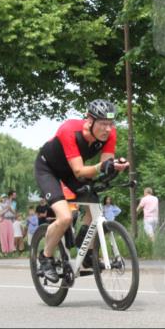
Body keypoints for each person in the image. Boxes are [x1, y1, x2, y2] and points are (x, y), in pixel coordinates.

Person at [34, 100, 129, 282]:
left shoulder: (110, 134)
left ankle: (87, 251)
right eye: (103, 124)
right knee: (65, 218)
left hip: (70, 171)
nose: (107, 129)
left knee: (94, 204)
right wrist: (102, 166)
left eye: (110, 124)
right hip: (48, 170)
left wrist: (116, 167)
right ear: (89, 121)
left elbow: (105, 166)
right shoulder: (69, 130)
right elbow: (80, 171)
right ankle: (45, 258)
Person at [0, 191, 16, 256]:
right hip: (3, 221)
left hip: (9, 220)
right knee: (3, 236)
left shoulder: (9, 205)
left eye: (5, 197)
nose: (4, 199)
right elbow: (0, 213)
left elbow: (14, 213)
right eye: (3, 198)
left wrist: (10, 208)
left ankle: (11, 250)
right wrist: (7, 209)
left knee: (11, 235)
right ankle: (5, 251)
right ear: (1, 199)